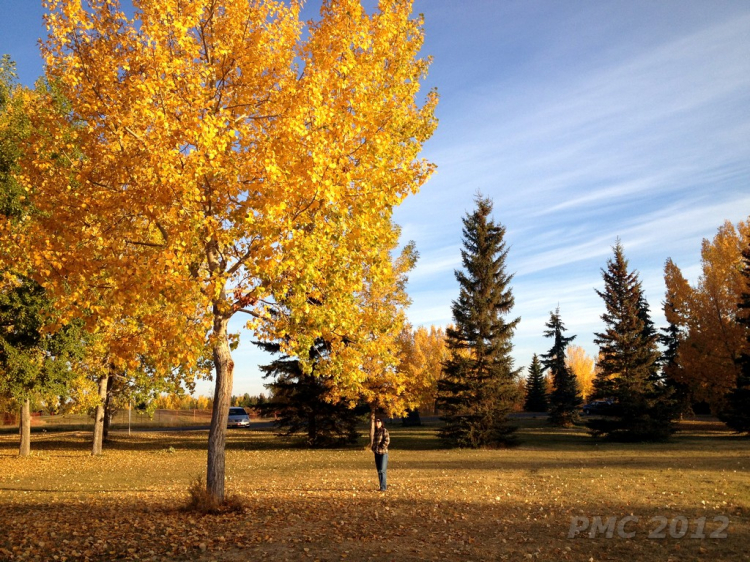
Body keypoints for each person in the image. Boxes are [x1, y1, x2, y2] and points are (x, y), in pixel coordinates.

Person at [371, 417, 390, 491]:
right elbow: (374, 442)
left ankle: (383, 487)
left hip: (383, 453)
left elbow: (387, 440)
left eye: (378, 422)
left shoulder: (384, 431)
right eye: (376, 422)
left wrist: (382, 447)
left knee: (382, 470)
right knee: (379, 470)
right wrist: (373, 448)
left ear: (381, 423)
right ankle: (381, 486)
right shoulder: (376, 432)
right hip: (377, 453)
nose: (377, 423)